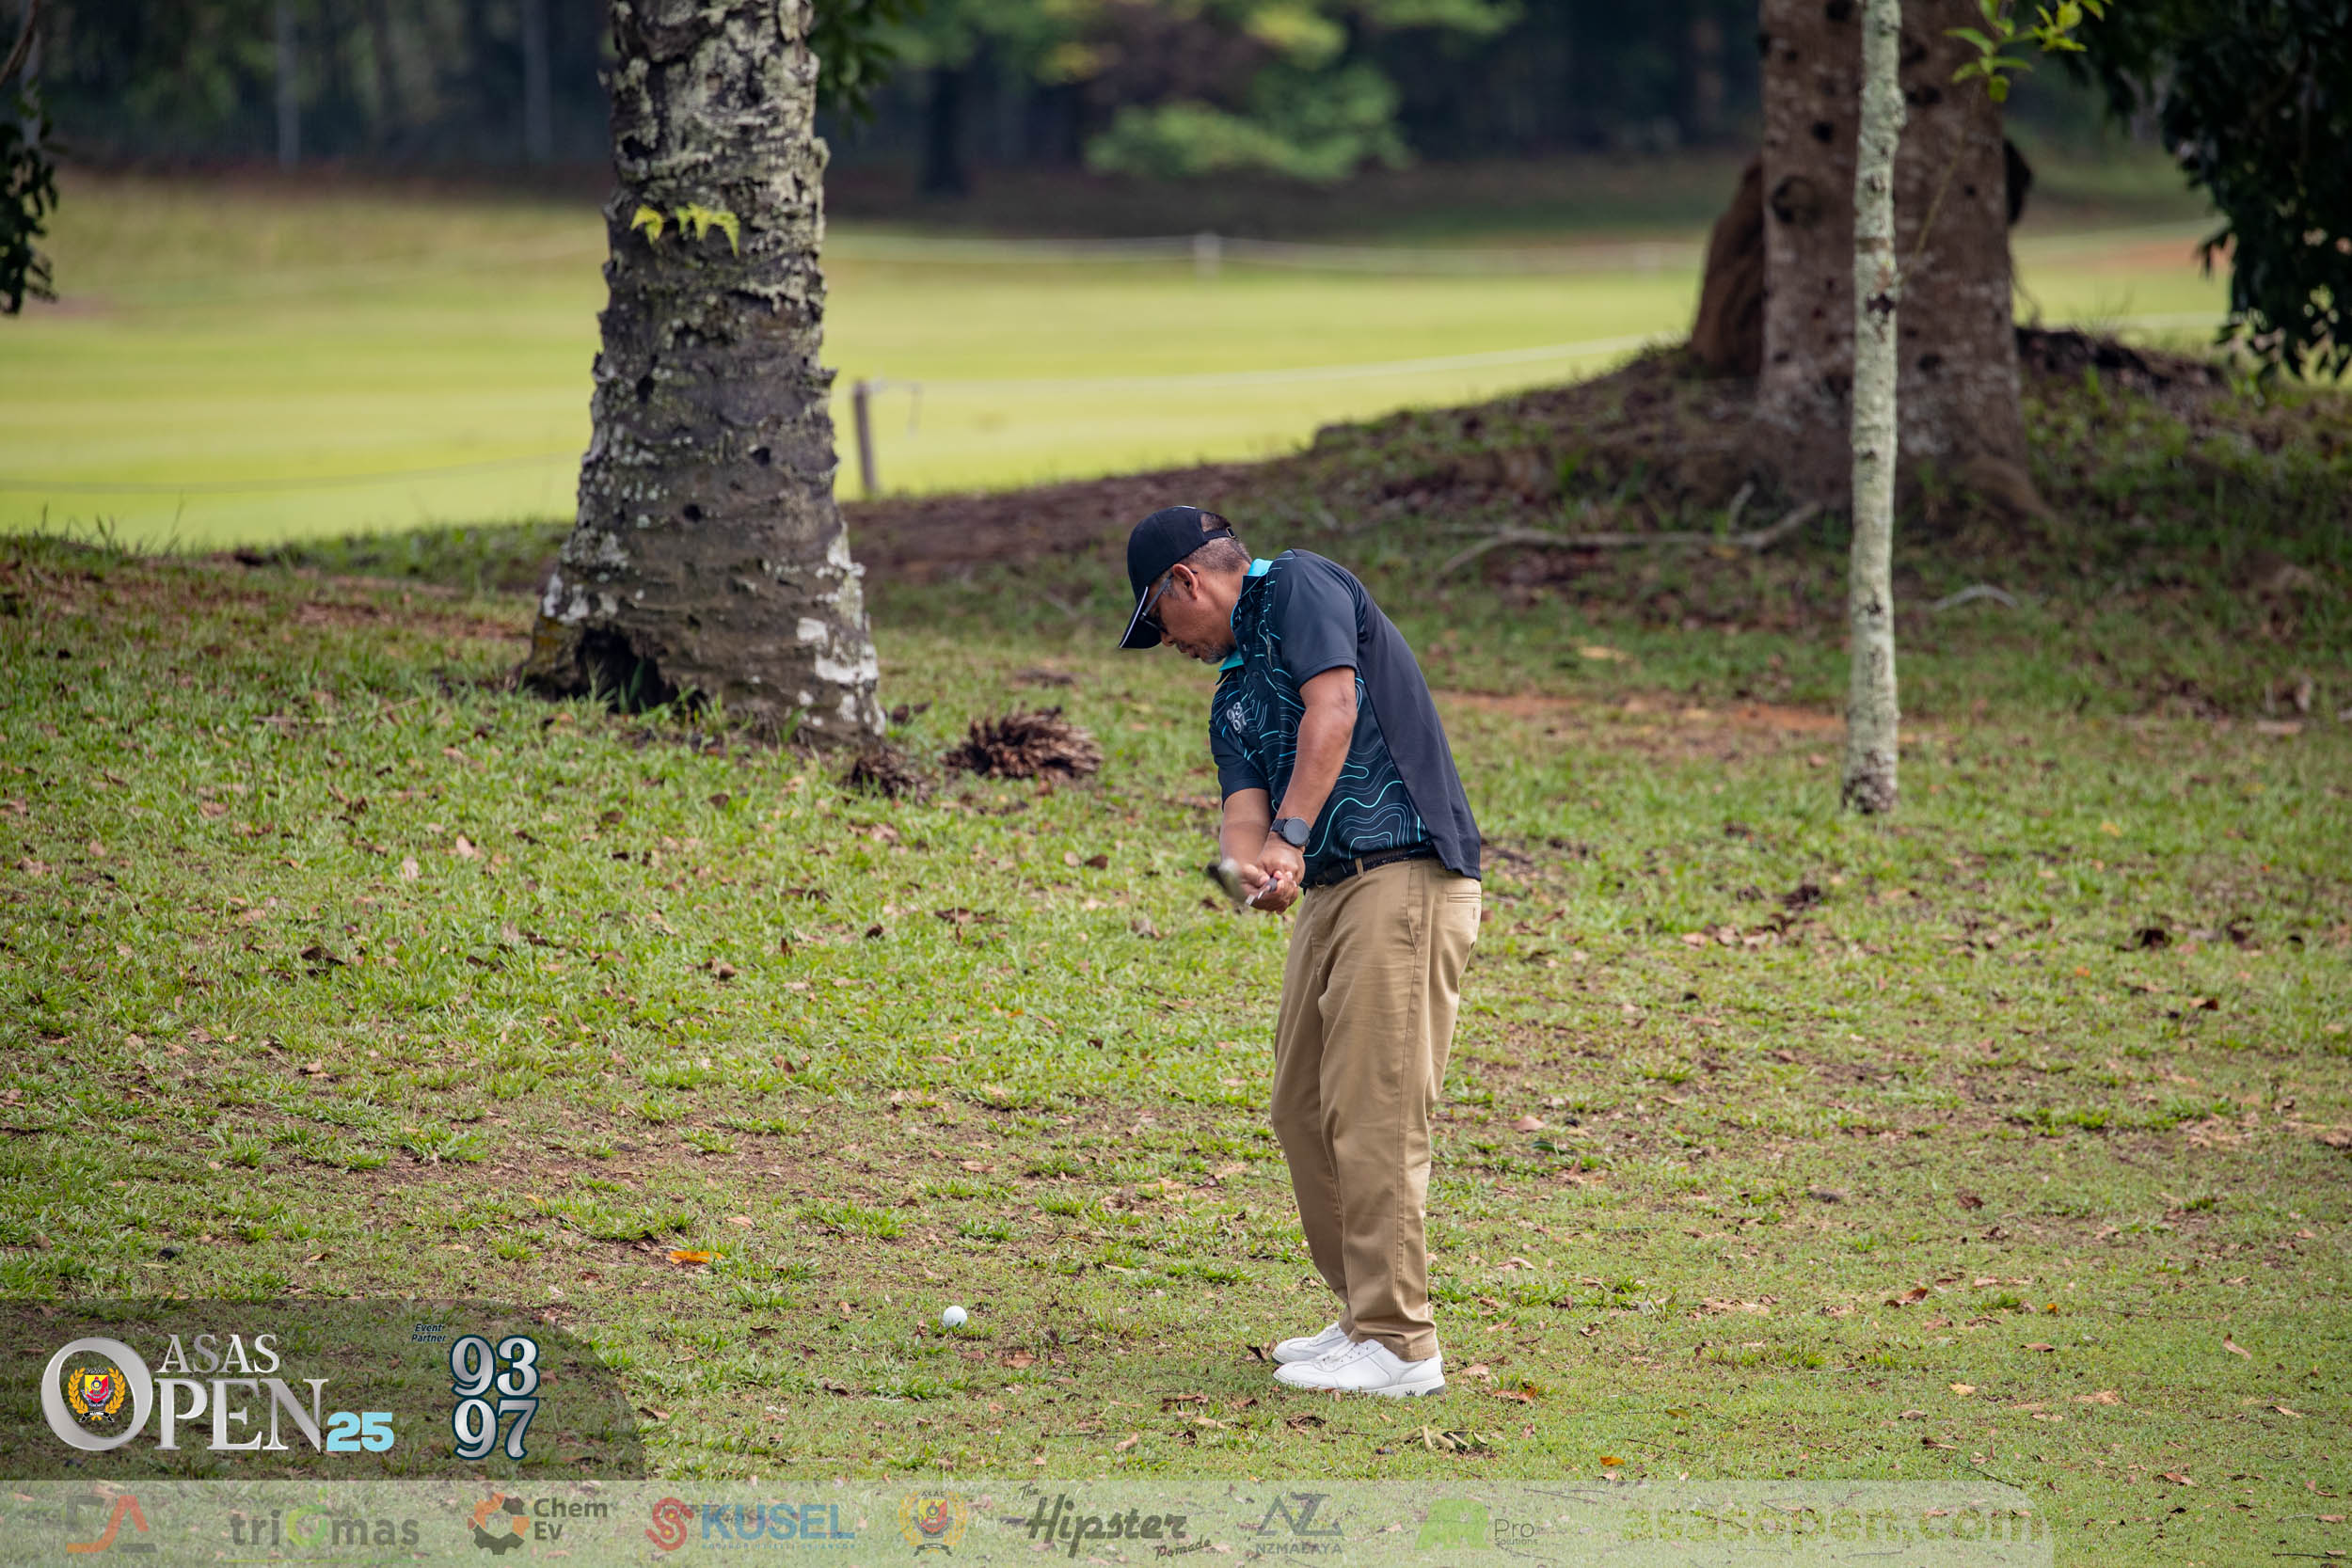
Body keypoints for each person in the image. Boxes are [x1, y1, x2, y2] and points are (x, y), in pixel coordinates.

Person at [1117, 503, 1482, 1398]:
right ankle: (1363, 1312)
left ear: (1186, 580)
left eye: (1159, 619)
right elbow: (1241, 812)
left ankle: (1400, 1343)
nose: (1168, 643)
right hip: (1328, 889)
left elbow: (1335, 706)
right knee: (1302, 1105)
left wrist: (1289, 834)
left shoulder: (1299, 586)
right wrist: (1250, 867)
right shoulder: (1232, 696)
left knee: (1374, 1109)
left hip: (1404, 872)